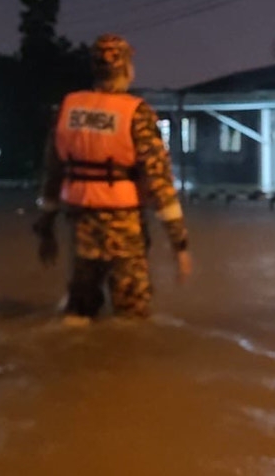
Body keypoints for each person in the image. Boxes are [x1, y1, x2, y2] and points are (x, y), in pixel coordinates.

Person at [32, 34, 192, 325]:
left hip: (80, 226)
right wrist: (179, 244)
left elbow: (52, 174)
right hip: (125, 229)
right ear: (127, 68)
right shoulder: (136, 113)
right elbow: (159, 182)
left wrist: (45, 231)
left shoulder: (68, 109)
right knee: (132, 317)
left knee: (79, 312)